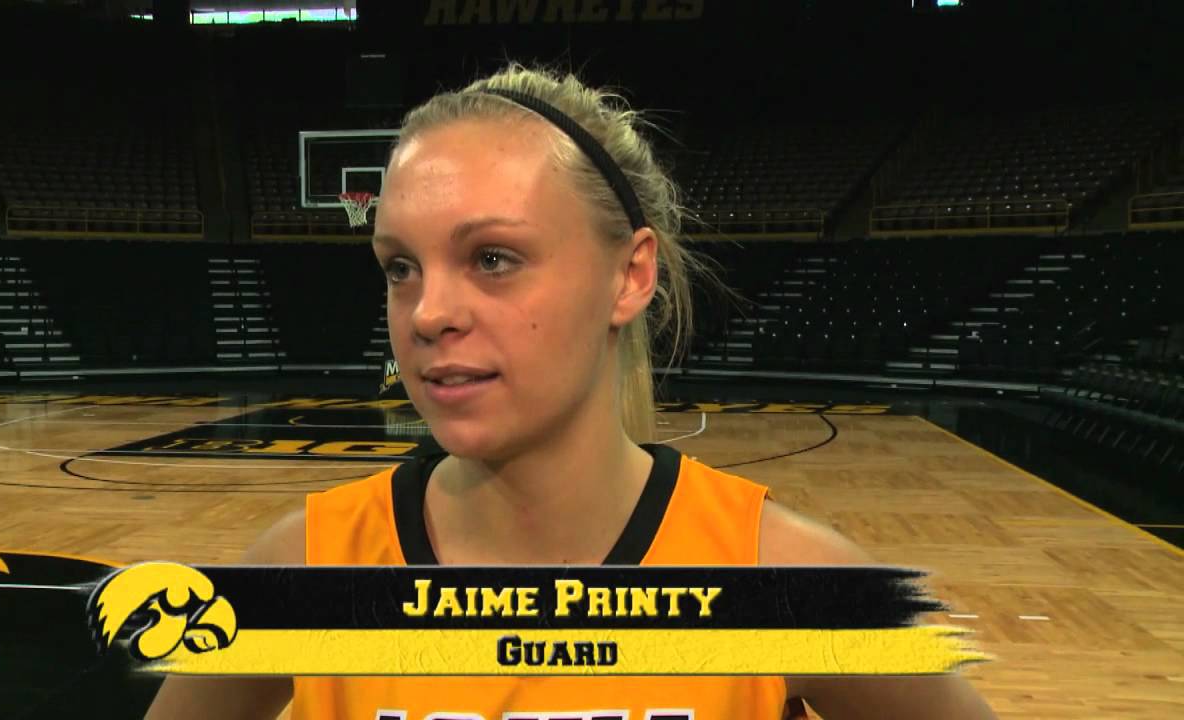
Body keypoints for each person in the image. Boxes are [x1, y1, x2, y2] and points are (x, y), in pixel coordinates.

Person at [146, 64, 997, 720]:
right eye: (400, 268)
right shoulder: (302, 567)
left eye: (493, 259)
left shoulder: (782, 577)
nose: (429, 312)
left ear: (630, 275)